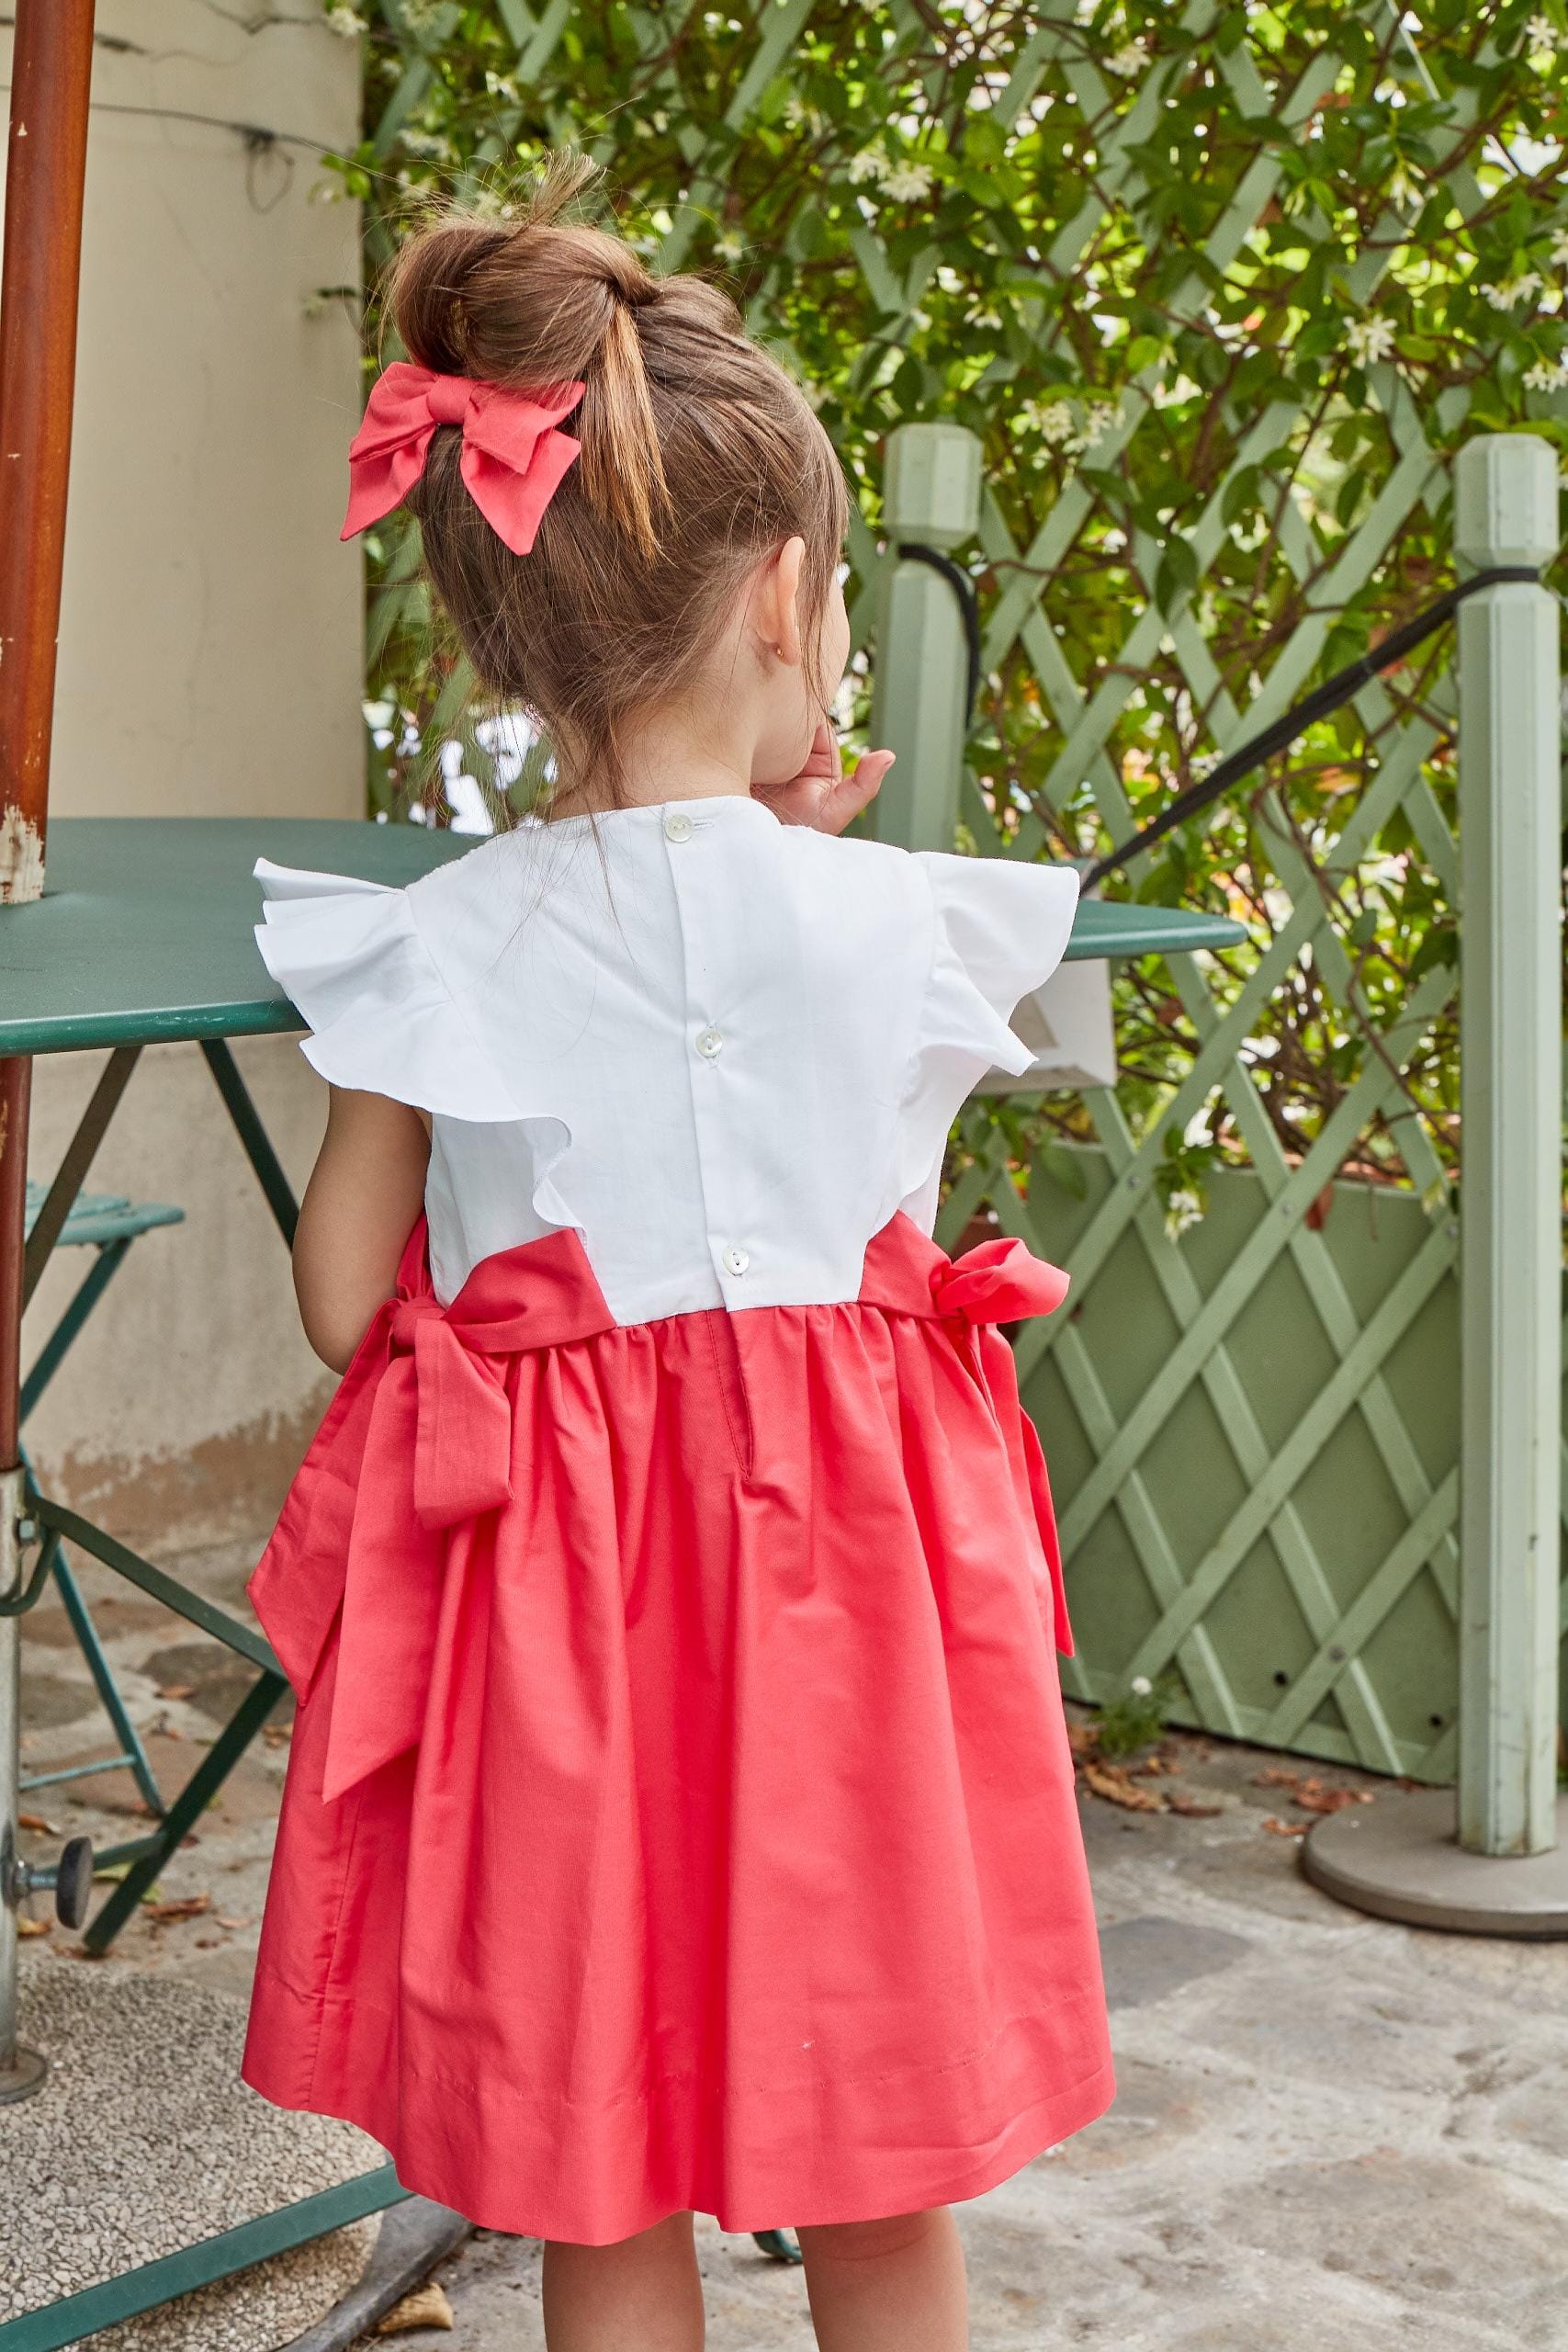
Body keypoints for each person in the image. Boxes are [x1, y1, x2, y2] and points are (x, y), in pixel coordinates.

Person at [242, 152, 1111, 2352]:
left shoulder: (438, 950)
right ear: (786, 600)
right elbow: (822, 1110)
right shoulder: (903, 922)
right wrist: (780, 856)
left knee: (595, 2166)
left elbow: (350, 1304)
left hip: (565, 1642)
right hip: (847, 1626)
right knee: (876, 2163)